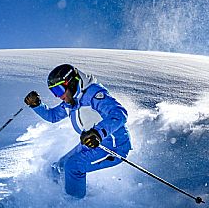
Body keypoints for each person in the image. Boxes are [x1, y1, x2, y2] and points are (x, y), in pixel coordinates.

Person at [24, 64, 132, 199]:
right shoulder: (70, 102)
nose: (58, 96)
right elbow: (53, 116)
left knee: (73, 167)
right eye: (54, 92)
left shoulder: (94, 95)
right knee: (59, 168)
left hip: (112, 146)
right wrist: (37, 105)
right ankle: (57, 196)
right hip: (91, 143)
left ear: (71, 82)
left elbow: (120, 113)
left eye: (59, 90)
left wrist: (99, 133)